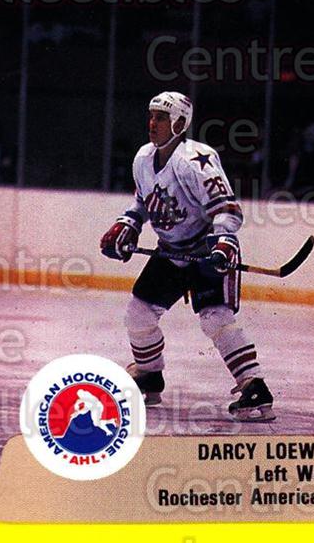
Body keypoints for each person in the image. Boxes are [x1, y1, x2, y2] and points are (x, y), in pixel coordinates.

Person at [100, 91, 274, 421]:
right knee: (139, 313)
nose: (153, 123)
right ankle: (149, 374)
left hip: (206, 249)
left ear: (180, 123)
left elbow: (227, 209)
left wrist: (223, 242)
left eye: (161, 117)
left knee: (215, 318)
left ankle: (254, 386)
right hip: (170, 251)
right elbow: (143, 203)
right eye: (151, 116)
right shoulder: (142, 158)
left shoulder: (196, 160)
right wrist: (128, 224)